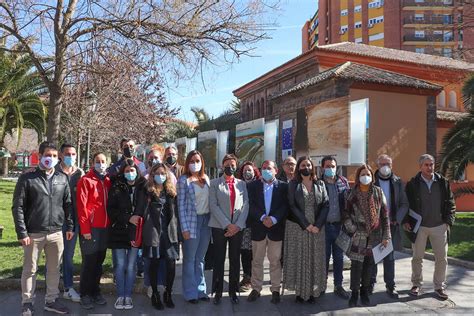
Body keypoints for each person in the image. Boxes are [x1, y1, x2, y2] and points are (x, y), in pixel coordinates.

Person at [13, 141, 74, 315]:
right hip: (33, 233)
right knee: (30, 269)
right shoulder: (27, 178)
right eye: (48, 155)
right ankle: (27, 302)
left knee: (54, 269)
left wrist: (69, 226)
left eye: (55, 156)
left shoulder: (62, 178)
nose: (51, 158)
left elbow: (68, 204)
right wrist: (22, 232)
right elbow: (18, 207)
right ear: (40, 156)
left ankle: (51, 300)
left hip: (56, 233)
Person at [403, 154, 456, 300]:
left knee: (442, 258)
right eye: (426, 165)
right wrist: (406, 221)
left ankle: (439, 286)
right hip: (419, 227)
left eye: (431, 164)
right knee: (417, 257)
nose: (429, 167)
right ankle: (416, 284)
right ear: (420, 166)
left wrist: (448, 222)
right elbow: (406, 204)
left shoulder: (442, 182)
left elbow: (451, 203)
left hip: (440, 226)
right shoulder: (413, 184)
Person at [342, 164, 391, 307]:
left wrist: (386, 236)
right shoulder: (351, 193)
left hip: (374, 235)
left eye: (368, 174)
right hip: (358, 235)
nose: (365, 177)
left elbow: (385, 215)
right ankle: (354, 293)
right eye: (363, 174)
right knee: (356, 266)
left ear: (372, 176)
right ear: (358, 177)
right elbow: (345, 214)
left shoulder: (378, 192)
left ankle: (364, 292)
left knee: (369, 265)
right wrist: (352, 229)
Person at [133, 163, 180, 310]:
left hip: (169, 232)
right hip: (153, 232)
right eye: (157, 173)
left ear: (167, 175)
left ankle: (168, 293)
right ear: (152, 175)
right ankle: (155, 294)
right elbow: (140, 210)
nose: (160, 175)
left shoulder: (171, 191)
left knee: (171, 264)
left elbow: (176, 213)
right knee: (153, 263)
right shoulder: (146, 191)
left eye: (163, 173)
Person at [283, 156, 329, 303]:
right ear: (299, 168)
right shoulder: (293, 184)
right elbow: (292, 205)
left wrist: (317, 225)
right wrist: (306, 225)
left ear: (313, 167)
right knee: (300, 258)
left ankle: (313, 292)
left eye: (308, 165)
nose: (306, 167)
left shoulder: (320, 184)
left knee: (314, 258)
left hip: (317, 228)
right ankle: (300, 292)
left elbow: (325, 205)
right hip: (298, 226)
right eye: (303, 165)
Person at [209, 154, 249, 305]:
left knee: (234, 260)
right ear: (222, 165)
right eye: (227, 164)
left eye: (233, 165)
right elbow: (213, 205)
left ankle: (233, 291)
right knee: (219, 259)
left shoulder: (242, 184)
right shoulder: (214, 183)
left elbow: (246, 205)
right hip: (219, 227)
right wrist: (227, 224)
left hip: (237, 227)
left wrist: (237, 225)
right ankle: (217, 292)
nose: (230, 167)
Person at [247, 160, 288, 304]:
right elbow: (250, 204)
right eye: (263, 168)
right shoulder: (253, 186)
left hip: (275, 229)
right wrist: (263, 217)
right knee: (257, 261)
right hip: (259, 227)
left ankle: (275, 289)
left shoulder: (283, 187)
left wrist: (274, 219)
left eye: (269, 168)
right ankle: (256, 289)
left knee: (275, 261)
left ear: (276, 170)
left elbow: (285, 206)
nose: (266, 171)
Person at [76, 152, 111, 310]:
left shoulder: (108, 180)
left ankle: (96, 291)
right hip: (90, 228)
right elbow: (82, 208)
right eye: (98, 161)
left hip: (104, 228)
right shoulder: (86, 180)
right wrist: (85, 229)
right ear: (92, 163)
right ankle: (85, 294)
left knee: (99, 263)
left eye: (103, 161)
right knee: (89, 263)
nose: (101, 163)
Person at [371, 154, 409, 298]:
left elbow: (404, 204)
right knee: (373, 256)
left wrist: (397, 219)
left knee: (389, 257)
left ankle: (390, 285)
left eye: (388, 164)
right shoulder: (371, 181)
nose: (385, 167)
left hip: (391, 225)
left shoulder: (397, 182)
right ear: (377, 165)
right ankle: (370, 283)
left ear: (392, 166)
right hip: (375, 226)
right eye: (382, 164)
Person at [107, 159, 142, 310]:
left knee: (131, 264)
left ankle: (128, 295)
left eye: (132, 170)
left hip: (135, 232)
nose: (130, 173)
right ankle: (120, 295)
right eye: (127, 171)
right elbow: (111, 210)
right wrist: (128, 218)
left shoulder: (143, 186)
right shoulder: (116, 186)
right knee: (120, 265)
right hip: (119, 231)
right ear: (123, 172)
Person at [177, 150, 211, 303]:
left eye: (198, 160)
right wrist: (184, 228)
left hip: (206, 222)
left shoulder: (206, 179)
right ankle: (190, 293)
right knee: (190, 259)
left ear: (202, 162)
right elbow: (181, 206)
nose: (195, 164)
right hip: (191, 222)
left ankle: (201, 290)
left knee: (200, 259)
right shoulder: (183, 180)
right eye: (192, 161)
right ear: (187, 163)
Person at [57, 144, 84, 303]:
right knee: (55, 257)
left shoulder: (79, 173)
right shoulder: (54, 171)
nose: (71, 156)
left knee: (68, 255)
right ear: (61, 154)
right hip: (56, 220)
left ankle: (68, 287)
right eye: (67, 153)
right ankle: (52, 288)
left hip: (74, 221)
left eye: (73, 154)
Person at [320, 156, 350, 299]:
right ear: (322, 168)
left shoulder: (343, 182)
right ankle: (322, 285)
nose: (330, 169)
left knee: (339, 258)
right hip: (324, 227)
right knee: (323, 258)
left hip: (339, 227)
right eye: (327, 166)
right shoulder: (318, 183)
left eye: (332, 166)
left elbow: (349, 202)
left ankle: (338, 285)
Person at [236, 161, 261, 292]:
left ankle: (253, 278)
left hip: (256, 223)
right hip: (242, 224)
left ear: (255, 171)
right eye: (245, 170)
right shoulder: (239, 185)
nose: (247, 172)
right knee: (244, 252)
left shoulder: (259, 184)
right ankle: (247, 277)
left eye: (250, 170)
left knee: (255, 253)